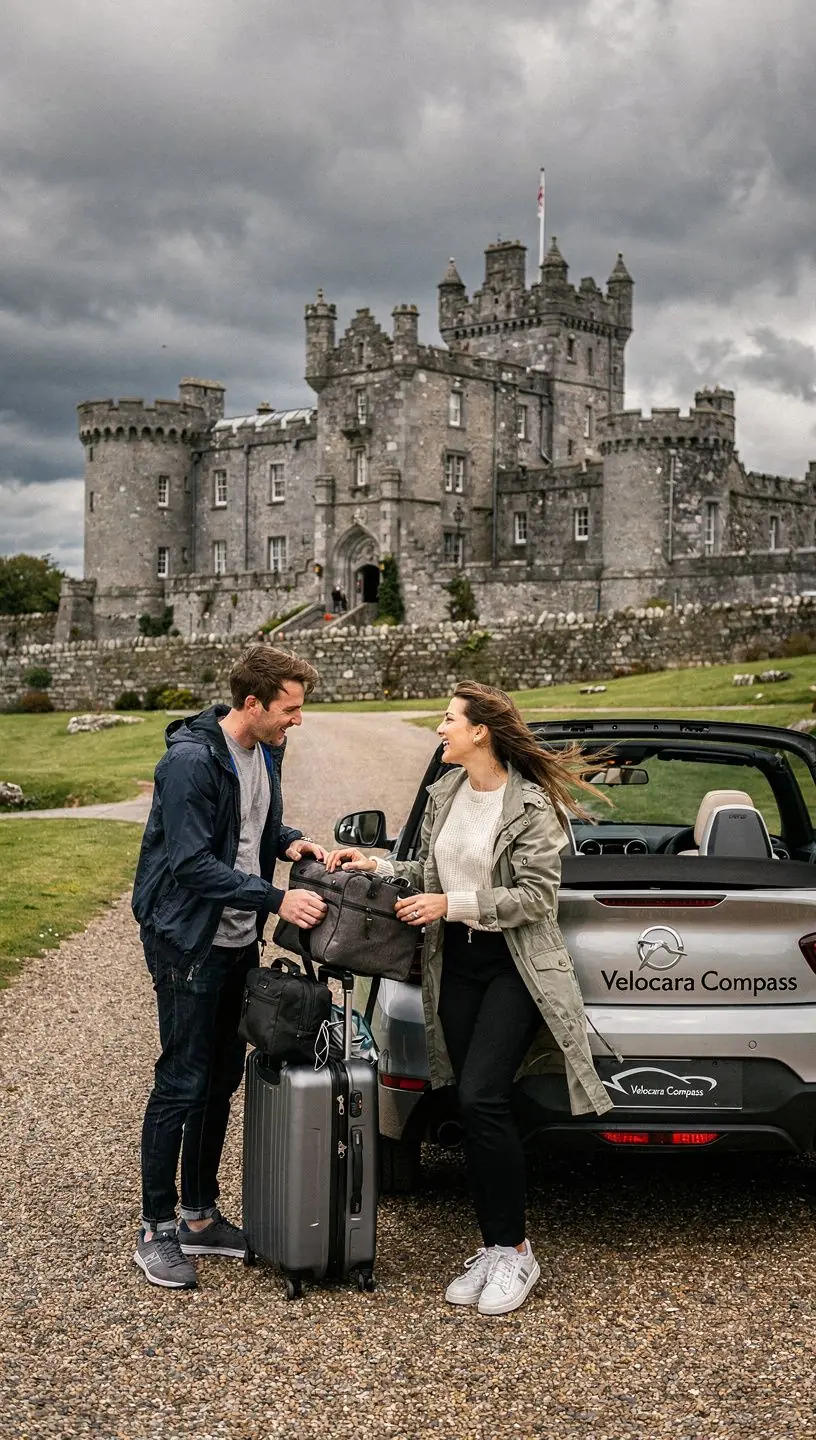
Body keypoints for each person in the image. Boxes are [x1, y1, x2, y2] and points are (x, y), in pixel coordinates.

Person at [326, 680, 613, 1316]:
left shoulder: (533, 808)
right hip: (453, 961)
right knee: (466, 1098)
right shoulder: (445, 792)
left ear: (480, 731)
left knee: (483, 1095)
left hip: (513, 963)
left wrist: (451, 903)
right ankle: (493, 1247)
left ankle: (516, 1252)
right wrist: (373, 866)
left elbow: (535, 900)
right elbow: (427, 875)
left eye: (449, 719)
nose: (440, 729)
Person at [131, 645, 328, 1290]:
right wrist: (276, 898)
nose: (297, 719)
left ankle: (198, 1216)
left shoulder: (266, 751)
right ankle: (156, 1229)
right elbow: (190, 864)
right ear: (253, 703)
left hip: (236, 939)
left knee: (221, 1077)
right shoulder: (189, 762)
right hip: (188, 939)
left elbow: (256, 827)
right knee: (182, 1078)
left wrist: (289, 840)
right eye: (290, 708)